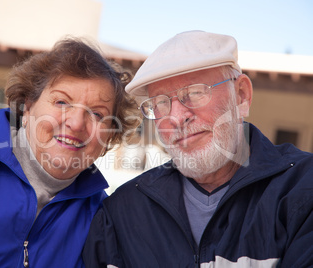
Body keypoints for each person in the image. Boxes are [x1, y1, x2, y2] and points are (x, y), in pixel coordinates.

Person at [83, 31, 313, 267]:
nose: (177, 117)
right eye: (161, 103)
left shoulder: (303, 189)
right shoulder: (123, 211)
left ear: (241, 96)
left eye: (194, 92)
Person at [0, 37, 139, 267]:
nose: (77, 123)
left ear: (109, 135)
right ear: (27, 107)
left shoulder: (101, 216)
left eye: (98, 114)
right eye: (62, 102)